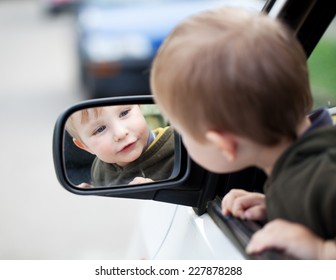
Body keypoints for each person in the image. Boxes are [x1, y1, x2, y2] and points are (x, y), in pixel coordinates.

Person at [150, 6, 336, 259]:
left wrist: (322, 252)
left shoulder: (319, 183)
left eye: (181, 131)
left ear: (223, 144)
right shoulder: (305, 171)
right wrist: (274, 204)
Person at [65, 105, 175, 186]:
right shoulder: (100, 168)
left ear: (140, 107)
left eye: (124, 113)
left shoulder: (178, 145)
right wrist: (94, 190)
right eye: (100, 129)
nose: (120, 133)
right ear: (85, 147)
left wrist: (158, 192)